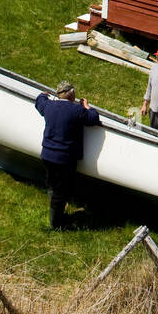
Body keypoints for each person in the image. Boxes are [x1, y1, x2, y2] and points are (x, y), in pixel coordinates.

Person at [34, 80, 100, 230]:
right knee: (61, 191)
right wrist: (87, 106)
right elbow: (93, 118)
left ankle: (56, 213)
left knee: (51, 184)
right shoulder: (76, 110)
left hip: (47, 154)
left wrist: (43, 94)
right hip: (64, 158)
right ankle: (56, 223)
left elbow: (39, 101)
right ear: (72, 95)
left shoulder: (49, 106)